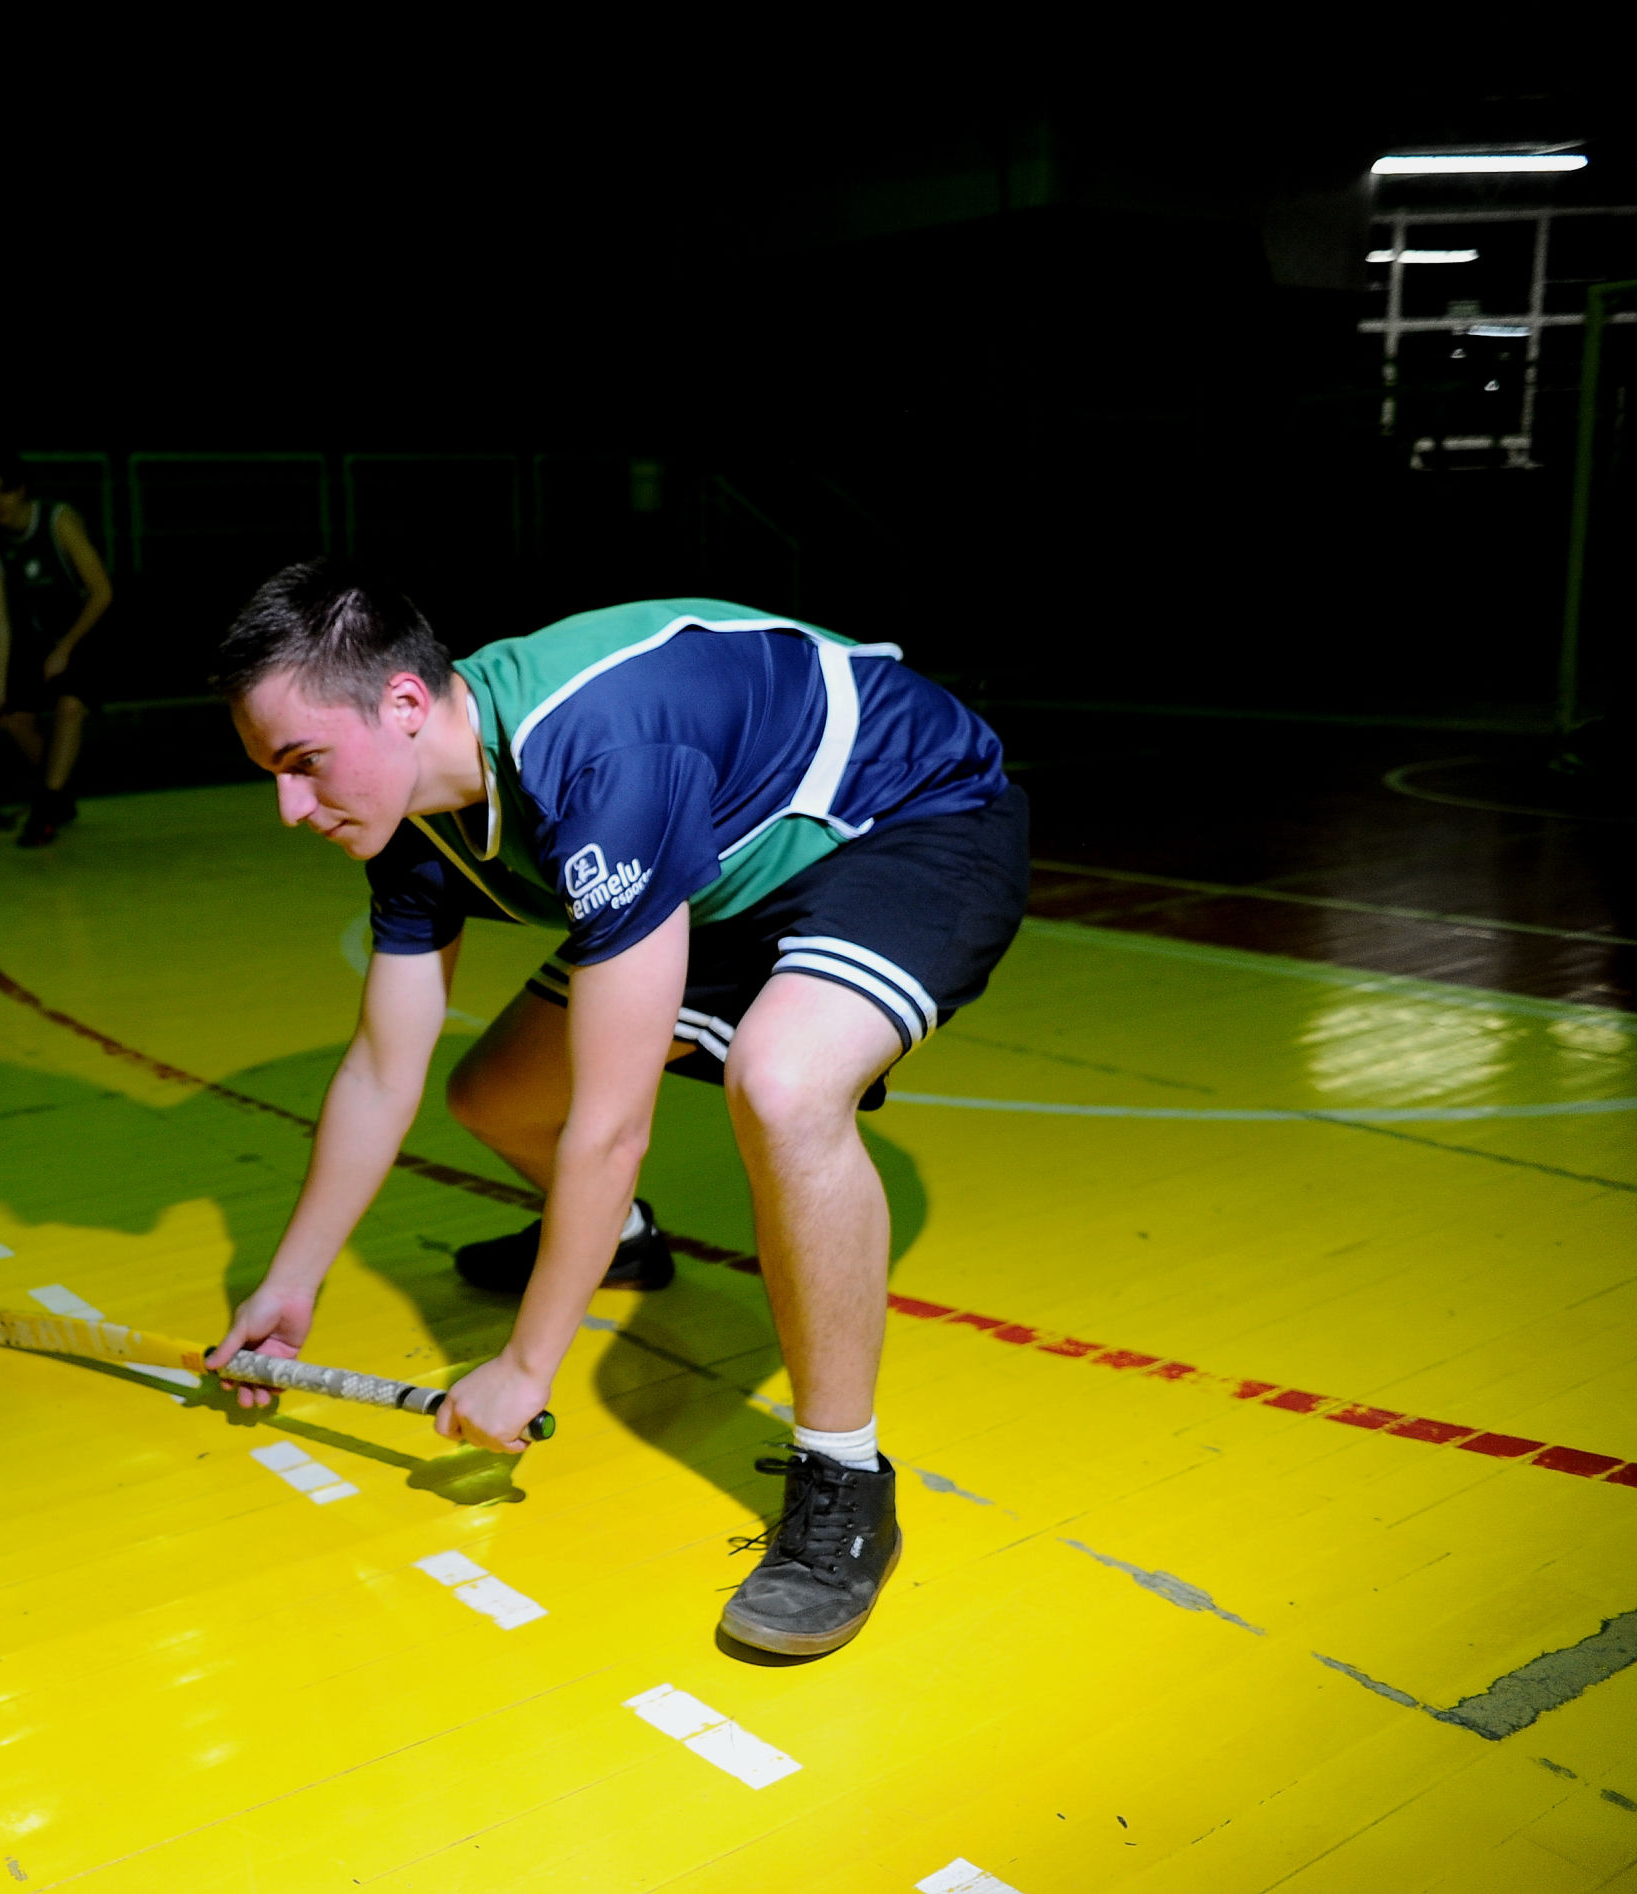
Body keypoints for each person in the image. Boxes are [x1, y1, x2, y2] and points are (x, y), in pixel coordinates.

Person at [204, 564, 1025, 1657]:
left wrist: (524, 1367)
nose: (290, 807)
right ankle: (622, 1241)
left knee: (780, 1086)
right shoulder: (409, 810)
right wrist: (288, 1283)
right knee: (488, 1097)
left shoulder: (598, 754)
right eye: (270, 772)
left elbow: (612, 1119)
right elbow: (378, 1072)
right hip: (727, 868)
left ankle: (843, 1483)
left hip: (904, 822)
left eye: (302, 764)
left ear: (403, 702)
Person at [0, 450, 113, 848]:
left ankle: (47, 805)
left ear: (21, 491)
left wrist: (67, 648)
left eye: (4, 491)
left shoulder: (59, 522)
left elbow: (102, 591)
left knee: (70, 708)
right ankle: (61, 793)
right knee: (15, 720)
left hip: (89, 630)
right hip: (42, 640)